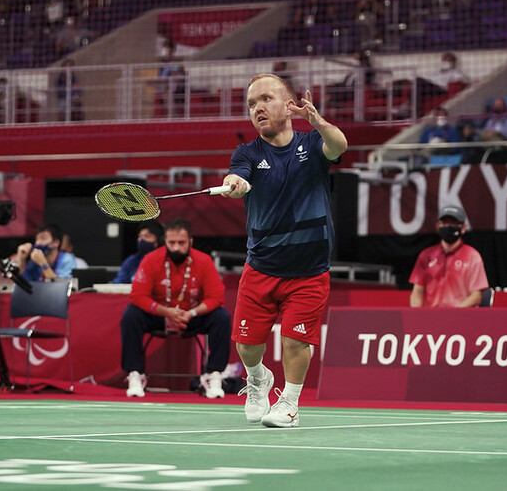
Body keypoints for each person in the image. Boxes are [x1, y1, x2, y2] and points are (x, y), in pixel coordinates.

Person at [221, 73, 348, 427]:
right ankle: (259, 379)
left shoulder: (312, 145)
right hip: (261, 266)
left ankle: (289, 404)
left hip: (308, 270)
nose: (257, 109)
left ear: (289, 106)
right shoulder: (247, 152)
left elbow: (339, 147)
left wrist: (318, 121)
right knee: (247, 345)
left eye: (265, 99)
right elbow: (240, 173)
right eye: (251, 104)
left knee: (295, 340)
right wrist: (236, 182)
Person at [120, 218, 231, 399]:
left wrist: (191, 313)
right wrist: (166, 312)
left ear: (191, 242)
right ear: (165, 241)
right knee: (131, 314)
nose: (176, 247)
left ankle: (214, 375)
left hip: (191, 316)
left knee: (221, 317)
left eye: (181, 243)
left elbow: (216, 298)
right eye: (171, 243)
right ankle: (135, 374)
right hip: (160, 315)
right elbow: (138, 296)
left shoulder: (203, 260)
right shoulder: (151, 260)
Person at [409, 205, 489, 308]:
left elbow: (476, 296)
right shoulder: (426, 255)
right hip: (431, 320)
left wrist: (452, 314)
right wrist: (417, 316)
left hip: (460, 318)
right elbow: (417, 293)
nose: (448, 226)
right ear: (438, 226)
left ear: (463, 228)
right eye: (445, 223)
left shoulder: (472, 256)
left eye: (453, 223)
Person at [11, 223, 87, 282]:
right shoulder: (34, 262)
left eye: (43, 238)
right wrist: (21, 259)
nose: (38, 243)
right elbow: (23, 283)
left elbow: (61, 287)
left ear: (56, 243)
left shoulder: (67, 259)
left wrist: (43, 264)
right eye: (37, 239)